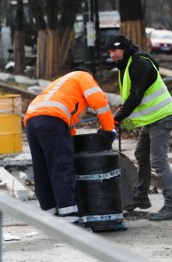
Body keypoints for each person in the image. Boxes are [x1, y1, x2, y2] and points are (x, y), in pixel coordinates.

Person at [23, 67, 116, 223]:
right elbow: (100, 101)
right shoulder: (84, 76)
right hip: (52, 120)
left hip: (32, 119)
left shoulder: (62, 85)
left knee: (42, 168)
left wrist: (71, 144)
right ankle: (70, 219)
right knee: (62, 167)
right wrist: (109, 128)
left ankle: (50, 215)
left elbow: (67, 124)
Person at [104, 34, 172, 221]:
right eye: (109, 52)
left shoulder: (139, 64)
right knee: (141, 154)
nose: (112, 55)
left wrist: (117, 118)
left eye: (114, 50)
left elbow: (136, 96)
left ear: (123, 48)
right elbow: (132, 96)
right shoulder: (127, 63)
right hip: (151, 118)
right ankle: (141, 197)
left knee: (158, 160)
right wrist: (119, 113)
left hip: (162, 116)